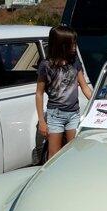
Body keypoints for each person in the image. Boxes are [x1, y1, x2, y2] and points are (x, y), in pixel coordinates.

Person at [35, 26, 92, 159]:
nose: (74, 46)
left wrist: (98, 104)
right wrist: (42, 121)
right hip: (55, 114)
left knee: (74, 151)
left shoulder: (75, 62)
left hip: (74, 113)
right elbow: (39, 93)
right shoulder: (46, 65)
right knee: (54, 154)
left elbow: (84, 87)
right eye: (72, 43)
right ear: (62, 45)